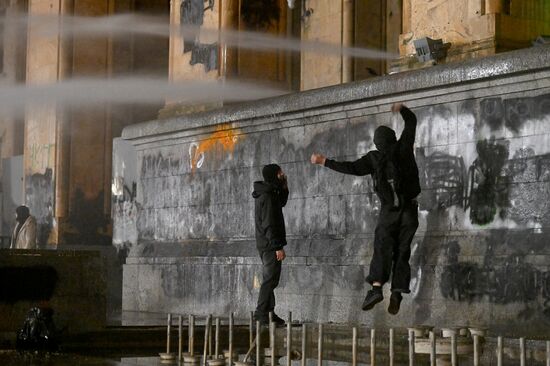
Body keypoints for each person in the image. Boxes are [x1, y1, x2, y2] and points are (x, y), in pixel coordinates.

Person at [310, 103, 420, 315]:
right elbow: (412, 121)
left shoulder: (374, 158)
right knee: (402, 251)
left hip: (389, 212)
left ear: (377, 143)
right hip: (409, 211)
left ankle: (376, 288)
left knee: (382, 247)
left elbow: (350, 168)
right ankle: (397, 292)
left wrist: (323, 161)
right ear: (393, 138)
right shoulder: (404, 147)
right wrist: (402, 109)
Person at [252, 164, 289, 326]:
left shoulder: (268, 193)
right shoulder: (266, 197)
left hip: (266, 243)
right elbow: (269, 224)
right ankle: (261, 313)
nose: (282, 173)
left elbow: (281, 202)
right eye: (280, 172)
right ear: (275, 174)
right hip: (269, 244)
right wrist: (277, 247)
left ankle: (269, 313)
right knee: (270, 280)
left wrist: (284, 185)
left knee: (271, 279)